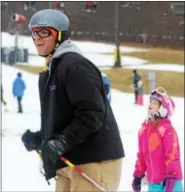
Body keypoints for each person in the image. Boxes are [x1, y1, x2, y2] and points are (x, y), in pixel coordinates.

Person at [21, 9, 125, 191]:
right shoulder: (54, 69)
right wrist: (43, 139)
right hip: (69, 161)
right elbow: (66, 117)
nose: (37, 38)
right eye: (34, 33)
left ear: (60, 35)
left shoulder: (74, 66)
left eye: (44, 32)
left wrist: (62, 142)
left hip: (93, 160)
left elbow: (92, 113)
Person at [132, 87, 183, 192]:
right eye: (151, 102)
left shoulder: (166, 129)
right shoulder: (143, 130)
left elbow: (172, 154)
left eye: (155, 103)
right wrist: (138, 174)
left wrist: (171, 174)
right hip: (153, 182)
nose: (150, 104)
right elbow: (142, 155)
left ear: (163, 109)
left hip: (170, 180)